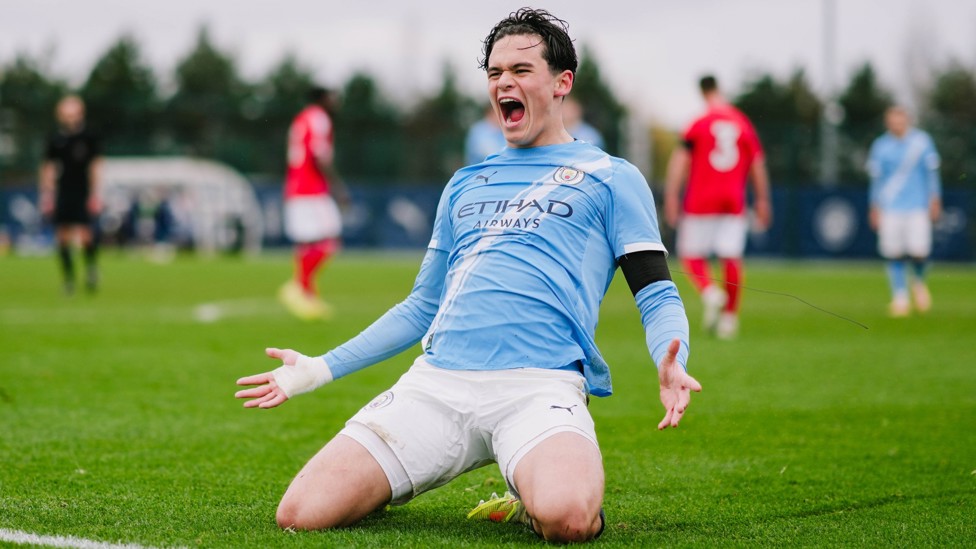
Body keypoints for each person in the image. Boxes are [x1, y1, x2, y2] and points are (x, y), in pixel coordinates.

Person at [236, 8, 701, 543]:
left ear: (561, 83)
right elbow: (420, 306)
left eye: (522, 70)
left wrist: (672, 358)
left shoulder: (612, 177)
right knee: (301, 512)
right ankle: (473, 464)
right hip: (437, 387)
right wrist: (317, 369)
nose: (504, 82)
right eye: (495, 72)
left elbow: (656, 291)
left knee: (567, 518)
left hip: (538, 388)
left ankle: (531, 483)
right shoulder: (464, 183)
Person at [663, 75, 771, 340]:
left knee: (690, 254)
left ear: (702, 93)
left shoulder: (698, 123)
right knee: (731, 256)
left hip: (701, 197)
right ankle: (730, 320)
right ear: (720, 90)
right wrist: (762, 199)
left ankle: (710, 292)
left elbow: (680, 161)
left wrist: (672, 196)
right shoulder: (742, 123)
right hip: (733, 199)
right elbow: (757, 165)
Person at [278, 86, 349, 321]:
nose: (336, 102)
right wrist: (338, 187)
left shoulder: (302, 118)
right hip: (312, 189)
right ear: (322, 99)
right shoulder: (319, 118)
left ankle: (307, 294)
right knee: (330, 240)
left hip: (296, 187)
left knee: (307, 243)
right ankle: (299, 287)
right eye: (333, 97)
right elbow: (319, 156)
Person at [866, 106, 942, 317]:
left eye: (900, 120)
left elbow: (932, 174)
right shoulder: (880, 146)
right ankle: (900, 297)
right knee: (893, 253)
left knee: (919, 252)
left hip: (917, 205)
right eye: (892, 121)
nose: (896, 125)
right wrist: (874, 206)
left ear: (907, 120)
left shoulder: (922, 142)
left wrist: (935, 199)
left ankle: (917, 281)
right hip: (890, 206)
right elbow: (876, 179)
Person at [38, 95, 103, 295]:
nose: (69, 118)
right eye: (66, 114)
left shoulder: (89, 136)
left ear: (80, 113)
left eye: (73, 114)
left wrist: (95, 194)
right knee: (62, 237)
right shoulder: (56, 138)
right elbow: (48, 167)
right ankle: (69, 280)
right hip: (63, 191)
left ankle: (91, 270)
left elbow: (96, 166)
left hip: (82, 191)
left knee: (85, 235)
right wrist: (47, 194)